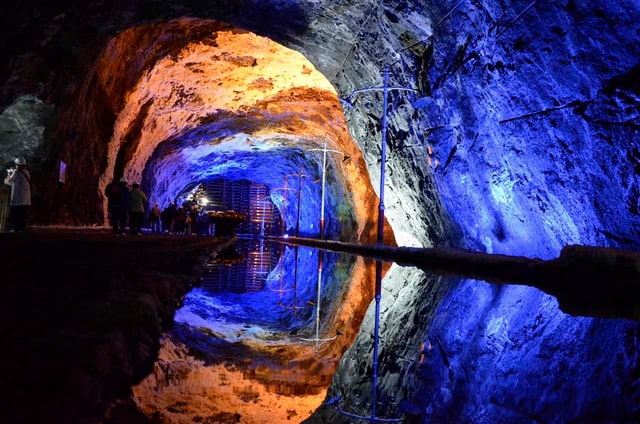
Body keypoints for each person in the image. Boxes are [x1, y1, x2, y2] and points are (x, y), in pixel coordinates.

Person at [3, 157, 31, 232]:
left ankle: (16, 229)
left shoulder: (16, 173)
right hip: (26, 199)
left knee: (15, 214)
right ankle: (22, 228)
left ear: (17, 165)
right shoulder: (27, 172)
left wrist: (9, 174)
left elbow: (8, 182)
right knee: (23, 215)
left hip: (17, 199)